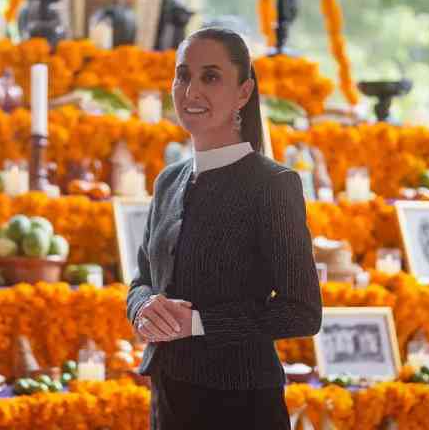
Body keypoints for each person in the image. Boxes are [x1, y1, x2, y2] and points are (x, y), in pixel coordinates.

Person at [126, 27, 323, 429]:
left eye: (210, 77)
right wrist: (143, 307)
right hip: (167, 398)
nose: (190, 90)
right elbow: (142, 279)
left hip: (240, 406)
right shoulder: (168, 180)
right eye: (183, 75)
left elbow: (302, 312)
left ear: (244, 93)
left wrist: (197, 324)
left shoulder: (272, 185)